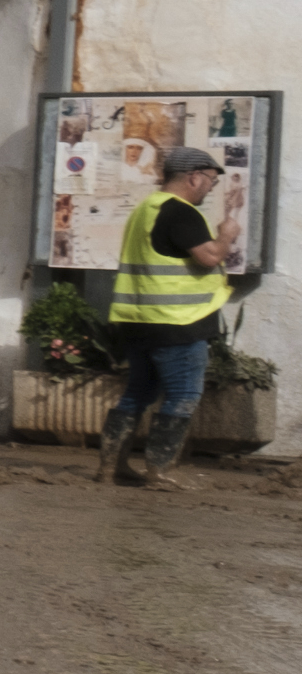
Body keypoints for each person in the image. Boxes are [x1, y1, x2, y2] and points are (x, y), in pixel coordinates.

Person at [100, 144, 235, 489]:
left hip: (138, 322)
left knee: (138, 392)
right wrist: (227, 235)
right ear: (194, 177)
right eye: (211, 181)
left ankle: (111, 467)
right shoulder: (180, 212)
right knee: (183, 394)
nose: (211, 188)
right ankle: (159, 470)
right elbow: (208, 256)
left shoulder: (146, 209)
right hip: (178, 323)